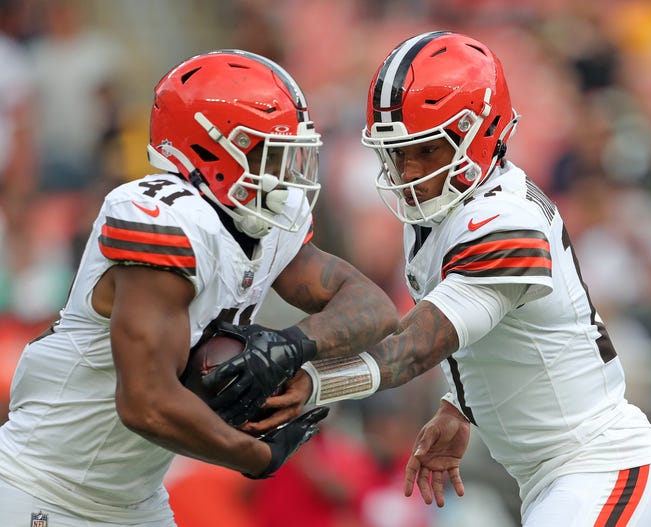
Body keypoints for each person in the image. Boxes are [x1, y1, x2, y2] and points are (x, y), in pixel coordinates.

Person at [248, 31, 651, 526]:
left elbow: (417, 345)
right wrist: (460, 405)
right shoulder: (442, 213)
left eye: (425, 150)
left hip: (599, 467)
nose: (408, 170)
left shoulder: (504, 221)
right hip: (559, 478)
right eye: (396, 153)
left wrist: (315, 383)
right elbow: (496, 329)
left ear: (480, 133)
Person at [0, 50, 399, 526]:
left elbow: (375, 308)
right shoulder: (165, 220)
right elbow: (145, 403)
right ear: (208, 147)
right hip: (42, 486)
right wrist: (258, 457)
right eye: (263, 148)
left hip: (137, 502)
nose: (283, 169)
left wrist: (288, 346)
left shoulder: (265, 221)